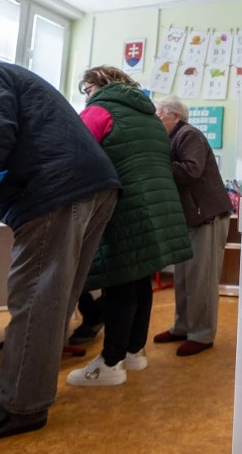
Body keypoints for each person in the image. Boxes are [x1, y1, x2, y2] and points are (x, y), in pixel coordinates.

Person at [0, 49, 120, 445]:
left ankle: (19, 405)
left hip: (54, 190)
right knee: (56, 298)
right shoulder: (19, 79)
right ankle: (23, 386)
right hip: (93, 186)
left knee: (36, 298)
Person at [66, 67, 192, 386]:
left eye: (87, 89)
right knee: (139, 279)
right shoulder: (149, 116)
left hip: (124, 205)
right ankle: (134, 352)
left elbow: (72, 152)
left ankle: (110, 363)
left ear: (96, 86)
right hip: (156, 206)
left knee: (118, 279)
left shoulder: (99, 111)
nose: (87, 96)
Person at [152, 95, 231, 357]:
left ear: (174, 115)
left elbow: (190, 170)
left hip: (205, 216)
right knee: (184, 278)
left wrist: (155, 164)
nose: (155, 118)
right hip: (190, 217)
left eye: (158, 114)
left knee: (202, 279)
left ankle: (201, 334)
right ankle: (182, 326)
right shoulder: (172, 138)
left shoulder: (189, 135)